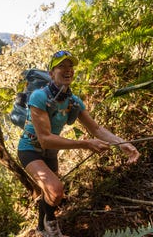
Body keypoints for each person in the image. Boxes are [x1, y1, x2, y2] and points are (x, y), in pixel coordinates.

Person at [17, 50, 140, 237]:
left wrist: (121, 143)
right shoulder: (38, 97)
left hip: (50, 153)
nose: (68, 70)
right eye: (61, 67)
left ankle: (42, 229)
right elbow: (45, 138)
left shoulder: (73, 102)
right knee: (56, 191)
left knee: (49, 192)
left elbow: (96, 129)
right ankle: (51, 225)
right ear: (51, 73)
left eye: (70, 67)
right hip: (30, 149)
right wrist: (85, 144)